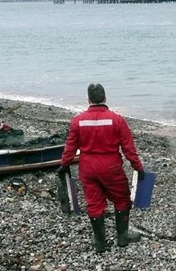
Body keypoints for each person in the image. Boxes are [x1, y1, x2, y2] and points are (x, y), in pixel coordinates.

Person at [59, 83, 145, 253]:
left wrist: (64, 165)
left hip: (88, 167)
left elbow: (70, 147)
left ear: (88, 100)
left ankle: (100, 243)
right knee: (121, 199)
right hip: (111, 166)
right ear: (105, 98)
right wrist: (138, 168)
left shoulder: (78, 121)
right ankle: (122, 237)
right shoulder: (117, 120)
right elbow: (129, 149)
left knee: (94, 203)